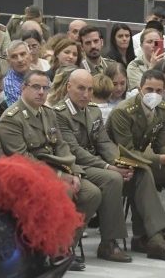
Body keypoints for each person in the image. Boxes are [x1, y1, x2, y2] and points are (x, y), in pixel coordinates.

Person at [0, 69, 102, 270]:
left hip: (55, 170)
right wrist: (60, 176)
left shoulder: (48, 113)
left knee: (92, 193)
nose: (41, 92)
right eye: (36, 87)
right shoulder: (12, 118)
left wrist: (72, 172)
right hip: (28, 176)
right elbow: (23, 159)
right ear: (23, 88)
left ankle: (66, 244)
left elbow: (61, 146)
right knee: (64, 190)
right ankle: (55, 251)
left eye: (45, 88)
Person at [107, 69, 165, 261]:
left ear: (164, 91)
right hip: (121, 163)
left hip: (144, 161)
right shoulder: (123, 112)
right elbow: (126, 151)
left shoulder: (163, 109)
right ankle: (154, 238)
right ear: (139, 89)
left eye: (159, 90)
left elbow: (162, 144)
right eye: (149, 89)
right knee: (145, 172)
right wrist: (162, 159)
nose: (154, 94)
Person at [52, 69, 131, 263]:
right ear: (68, 87)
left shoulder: (93, 110)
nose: (86, 94)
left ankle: (149, 235)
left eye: (89, 89)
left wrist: (120, 163)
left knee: (130, 173)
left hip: (93, 163)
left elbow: (104, 142)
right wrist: (108, 167)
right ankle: (108, 242)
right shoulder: (60, 113)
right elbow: (74, 151)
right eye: (81, 88)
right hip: (74, 165)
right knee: (112, 178)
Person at [126, 27, 164, 92]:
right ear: (141, 45)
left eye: (156, 42)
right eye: (149, 42)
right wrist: (152, 67)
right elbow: (140, 91)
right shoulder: (134, 66)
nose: (153, 45)